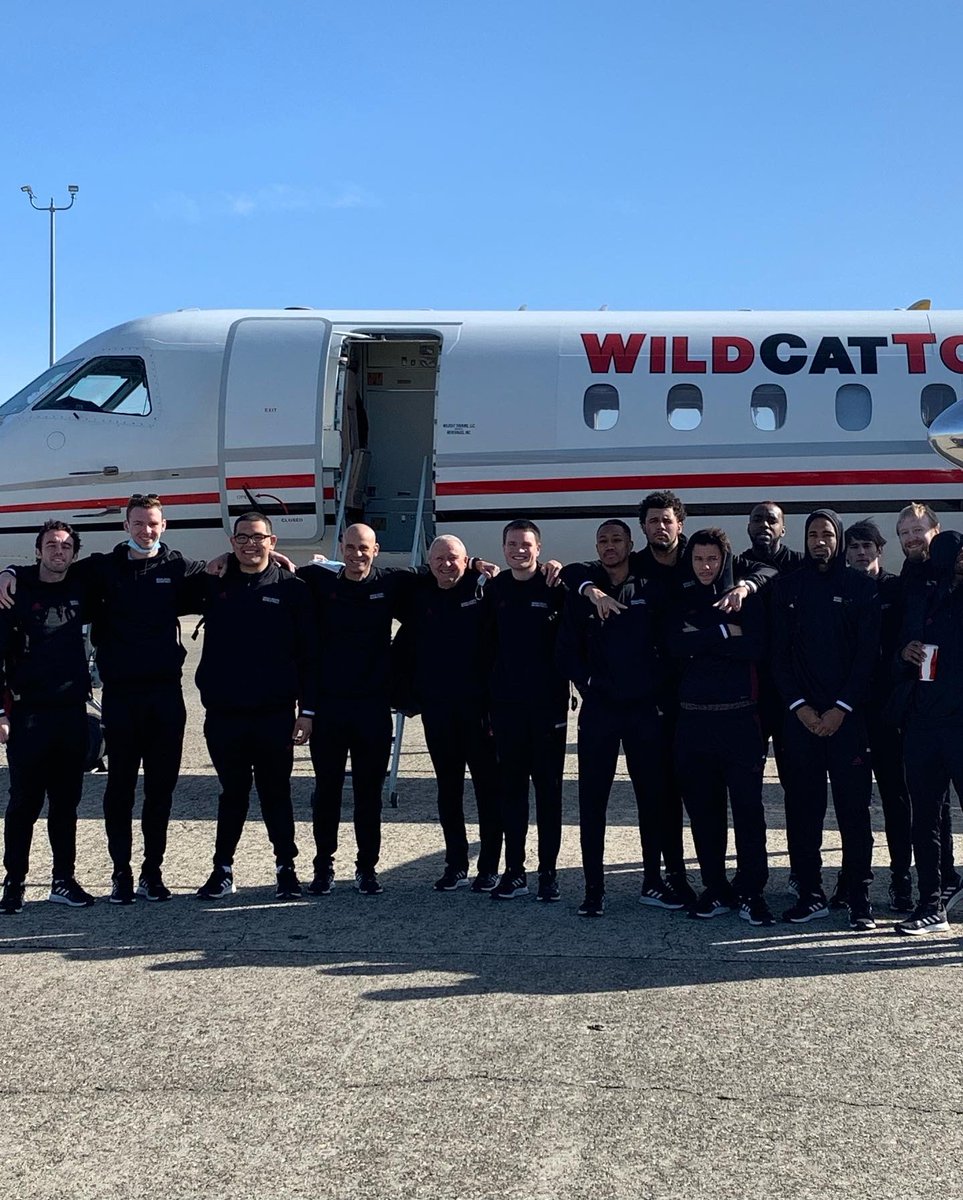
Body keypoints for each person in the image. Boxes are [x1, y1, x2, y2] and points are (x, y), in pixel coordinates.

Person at [192, 514, 317, 900]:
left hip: (274, 713)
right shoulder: (213, 584)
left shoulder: (293, 589)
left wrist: (307, 711)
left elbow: (308, 656)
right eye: (242, 538)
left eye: (258, 537)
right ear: (232, 542)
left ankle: (286, 869)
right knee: (232, 793)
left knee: (275, 792)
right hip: (225, 713)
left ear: (272, 541)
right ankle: (222, 869)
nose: (250, 544)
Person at [556, 520, 672, 917]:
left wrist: (655, 690)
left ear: (630, 544)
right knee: (592, 800)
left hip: (643, 709)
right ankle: (594, 888)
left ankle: (652, 881)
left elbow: (667, 645)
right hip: (601, 709)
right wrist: (589, 683)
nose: (609, 546)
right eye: (603, 541)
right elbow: (566, 650)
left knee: (651, 797)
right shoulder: (582, 588)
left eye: (617, 540)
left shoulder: (650, 588)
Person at [771, 510, 880, 929]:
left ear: (838, 540)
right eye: (813, 534)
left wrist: (841, 709)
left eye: (828, 534)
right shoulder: (788, 587)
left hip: (847, 720)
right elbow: (778, 656)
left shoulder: (860, 588)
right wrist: (800, 707)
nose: (820, 541)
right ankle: (810, 892)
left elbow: (867, 656)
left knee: (854, 810)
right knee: (803, 809)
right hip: (800, 720)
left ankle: (858, 895)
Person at [297, 523, 414, 897]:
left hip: (372, 709)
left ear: (375, 550)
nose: (356, 555)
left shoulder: (391, 582)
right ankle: (323, 866)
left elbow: (439, 572)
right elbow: (276, 569)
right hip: (330, 709)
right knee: (326, 791)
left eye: (363, 548)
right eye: (350, 548)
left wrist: (476, 563)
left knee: (369, 794)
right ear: (341, 550)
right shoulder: (321, 581)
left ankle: (366, 868)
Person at [664, 529, 773, 925]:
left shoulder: (746, 596)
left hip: (740, 719)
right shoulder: (679, 595)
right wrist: (726, 631)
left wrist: (702, 638)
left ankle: (751, 891)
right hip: (693, 721)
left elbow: (757, 646)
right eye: (698, 559)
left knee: (747, 811)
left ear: (724, 560)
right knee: (705, 813)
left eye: (712, 560)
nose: (706, 566)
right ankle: (716, 888)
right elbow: (673, 644)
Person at [392, 535, 503, 893]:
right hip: (437, 711)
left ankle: (488, 866)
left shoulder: (482, 588)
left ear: (466, 559)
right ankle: (455, 863)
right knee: (448, 789)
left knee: (488, 789)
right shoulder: (419, 592)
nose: (446, 565)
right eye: (438, 559)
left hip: (480, 713)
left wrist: (475, 565)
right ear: (429, 563)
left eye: (453, 558)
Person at [0, 522, 98, 914]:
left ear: (74, 553)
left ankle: (63, 878)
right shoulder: (15, 592)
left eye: (67, 546)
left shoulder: (81, 587)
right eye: (52, 545)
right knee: (23, 802)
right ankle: (14, 881)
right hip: (28, 716)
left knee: (65, 804)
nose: (60, 551)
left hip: (71, 714)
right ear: (38, 550)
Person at [481, 520, 568, 902]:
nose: (519, 550)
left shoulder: (554, 588)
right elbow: (485, 650)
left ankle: (548, 873)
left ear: (539, 547)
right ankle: (514, 871)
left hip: (548, 708)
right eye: (512, 544)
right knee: (511, 791)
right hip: (506, 708)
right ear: (503, 548)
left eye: (526, 544)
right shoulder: (494, 590)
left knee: (548, 792)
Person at [892, 503, 961, 912]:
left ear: (937, 531)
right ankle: (935, 897)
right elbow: (898, 638)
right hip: (921, 716)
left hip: (958, 718)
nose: (913, 539)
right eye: (905, 533)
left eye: (919, 530)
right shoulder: (911, 583)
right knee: (928, 815)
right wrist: (905, 649)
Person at [843, 520, 913, 912]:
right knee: (854, 803)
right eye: (853, 547)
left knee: (896, 800)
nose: (860, 553)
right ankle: (854, 879)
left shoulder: (895, 590)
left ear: (880, 551)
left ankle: (902, 879)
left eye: (867, 546)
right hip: (853, 713)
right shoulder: (841, 591)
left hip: (891, 714)